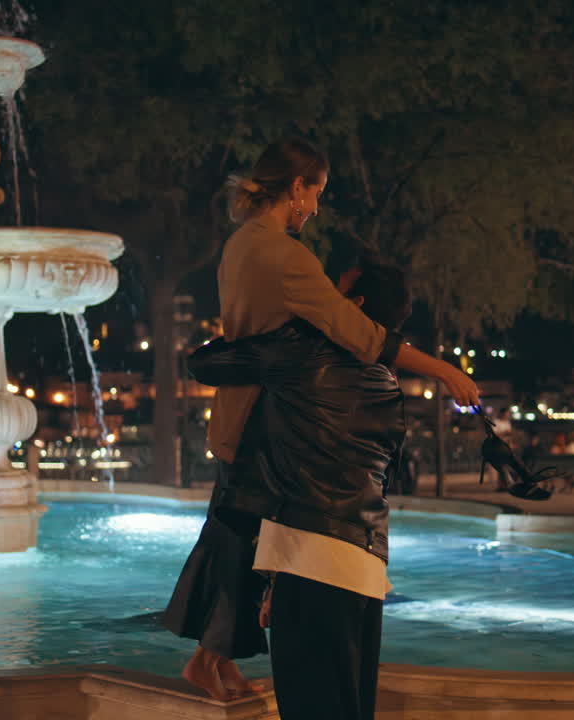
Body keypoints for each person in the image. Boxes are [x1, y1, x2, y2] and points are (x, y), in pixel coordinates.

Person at [165, 138, 479, 699]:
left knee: (239, 538)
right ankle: (209, 661)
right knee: (244, 543)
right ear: (296, 188)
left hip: (241, 409)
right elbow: (357, 332)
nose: (315, 207)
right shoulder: (285, 255)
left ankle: (217, 661)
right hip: (272, 419)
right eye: (317, 193)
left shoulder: (241, 245)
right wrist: (441, 370)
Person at [188, 260, 411, 720]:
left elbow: (206, 362)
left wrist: (282, 323)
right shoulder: (387, 384)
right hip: (365, 568)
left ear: (354, 307)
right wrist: (275, 580)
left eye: (334, 290)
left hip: (312, 561)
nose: (322, 294)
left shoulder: (306, 351)